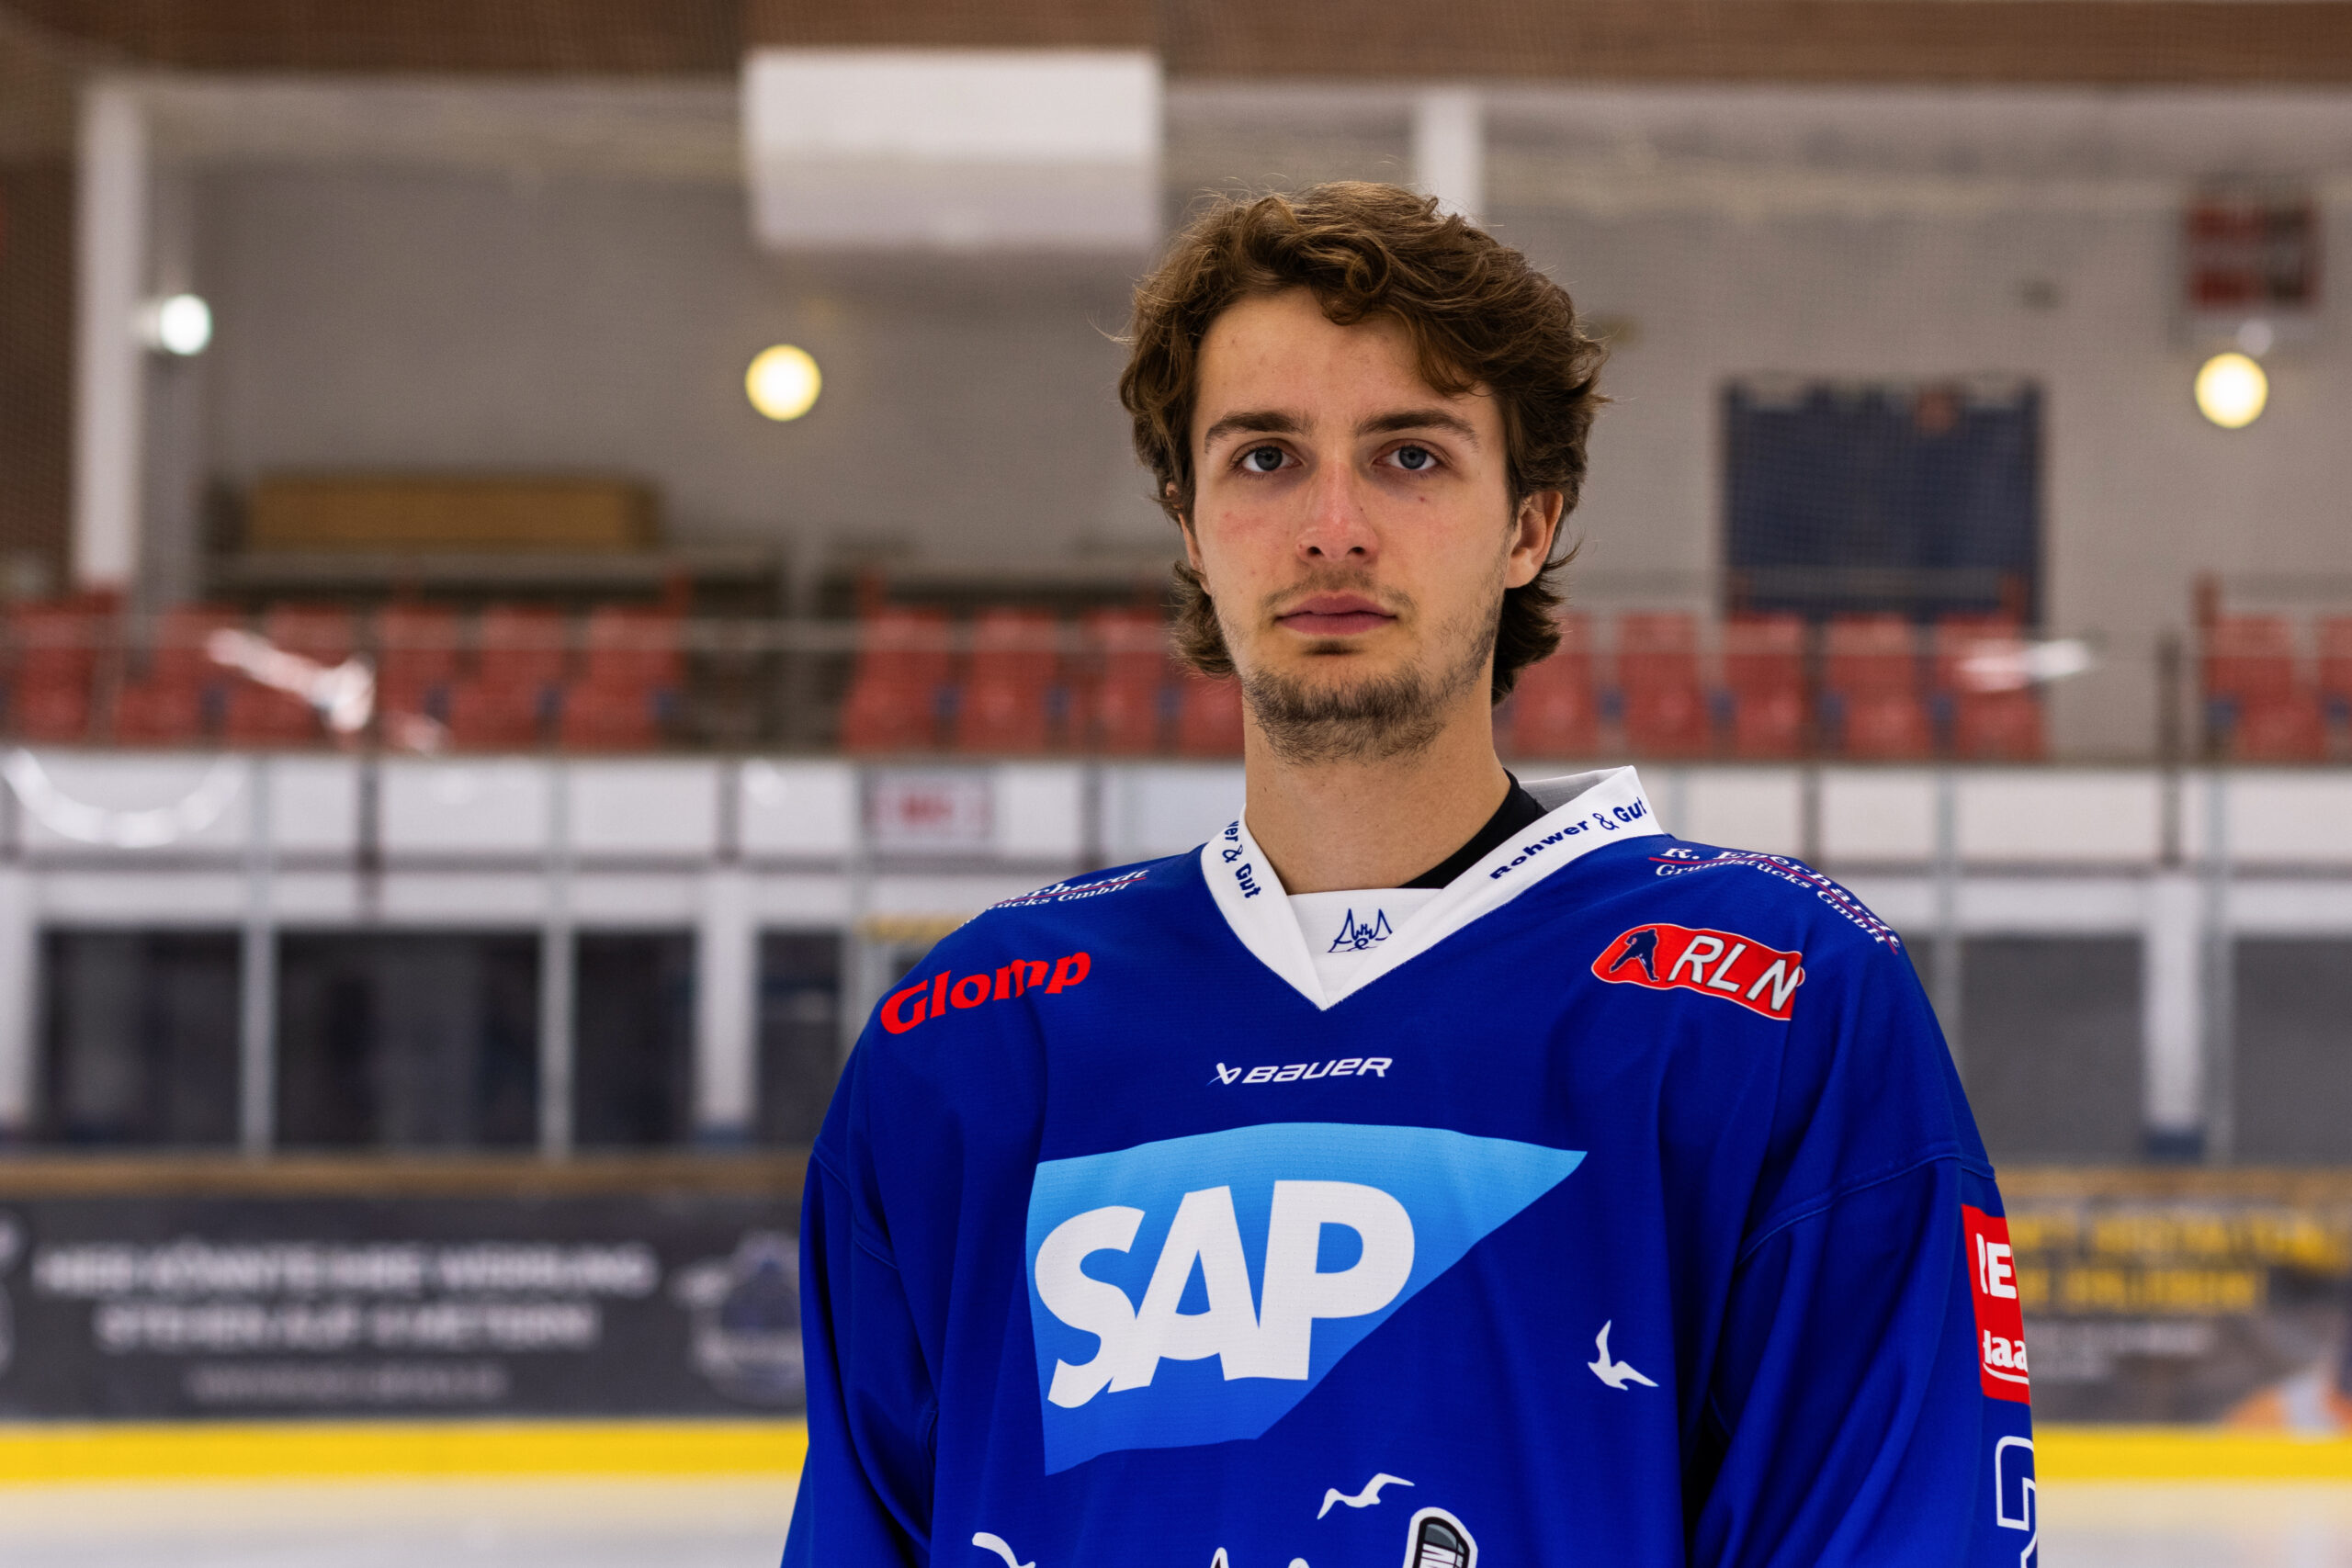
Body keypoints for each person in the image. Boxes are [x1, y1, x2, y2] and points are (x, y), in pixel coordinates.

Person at [785, 182, 2033, 1568]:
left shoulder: (1777, 1001)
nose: (1334, 527)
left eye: (1411, 456)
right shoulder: (972, 1034)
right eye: (1265, 457)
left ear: (1527, 526)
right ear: (1189, 523)